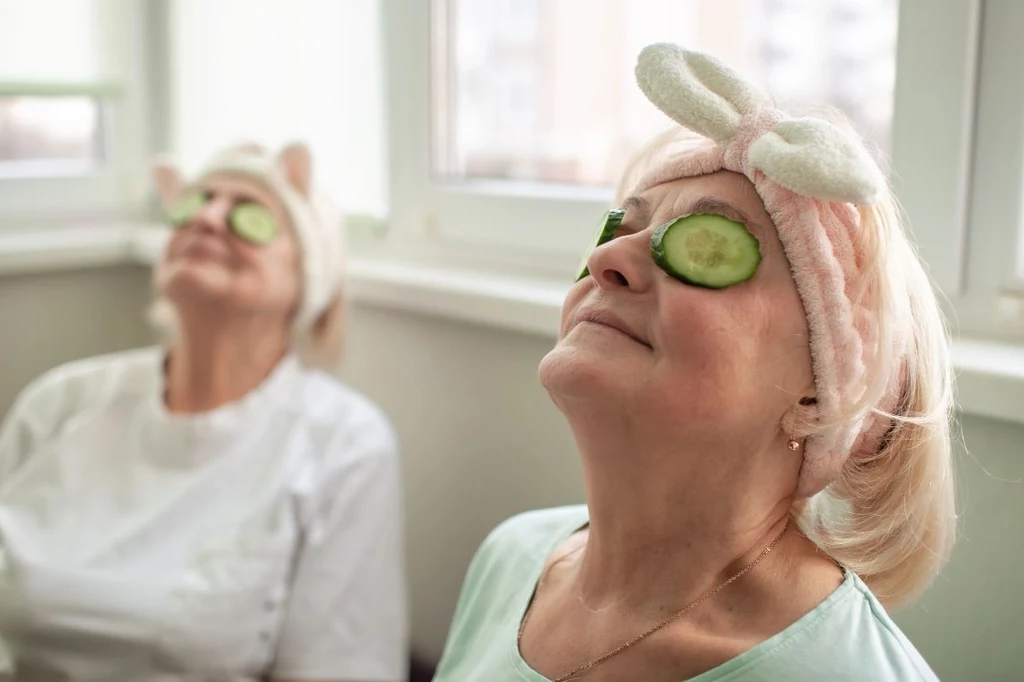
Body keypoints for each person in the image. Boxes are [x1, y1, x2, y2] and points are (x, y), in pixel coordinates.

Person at [433, 44, 954, 682]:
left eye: (705, 246)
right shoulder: (509, 558)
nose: (607, 261)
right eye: (619, 228)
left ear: (820, 393)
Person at [0, 143, 407, 681]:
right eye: (194, 205)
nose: (209, 219)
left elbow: (343, 667)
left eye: (251, 214)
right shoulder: (60, 403)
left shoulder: (345, 442)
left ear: (309, 278)